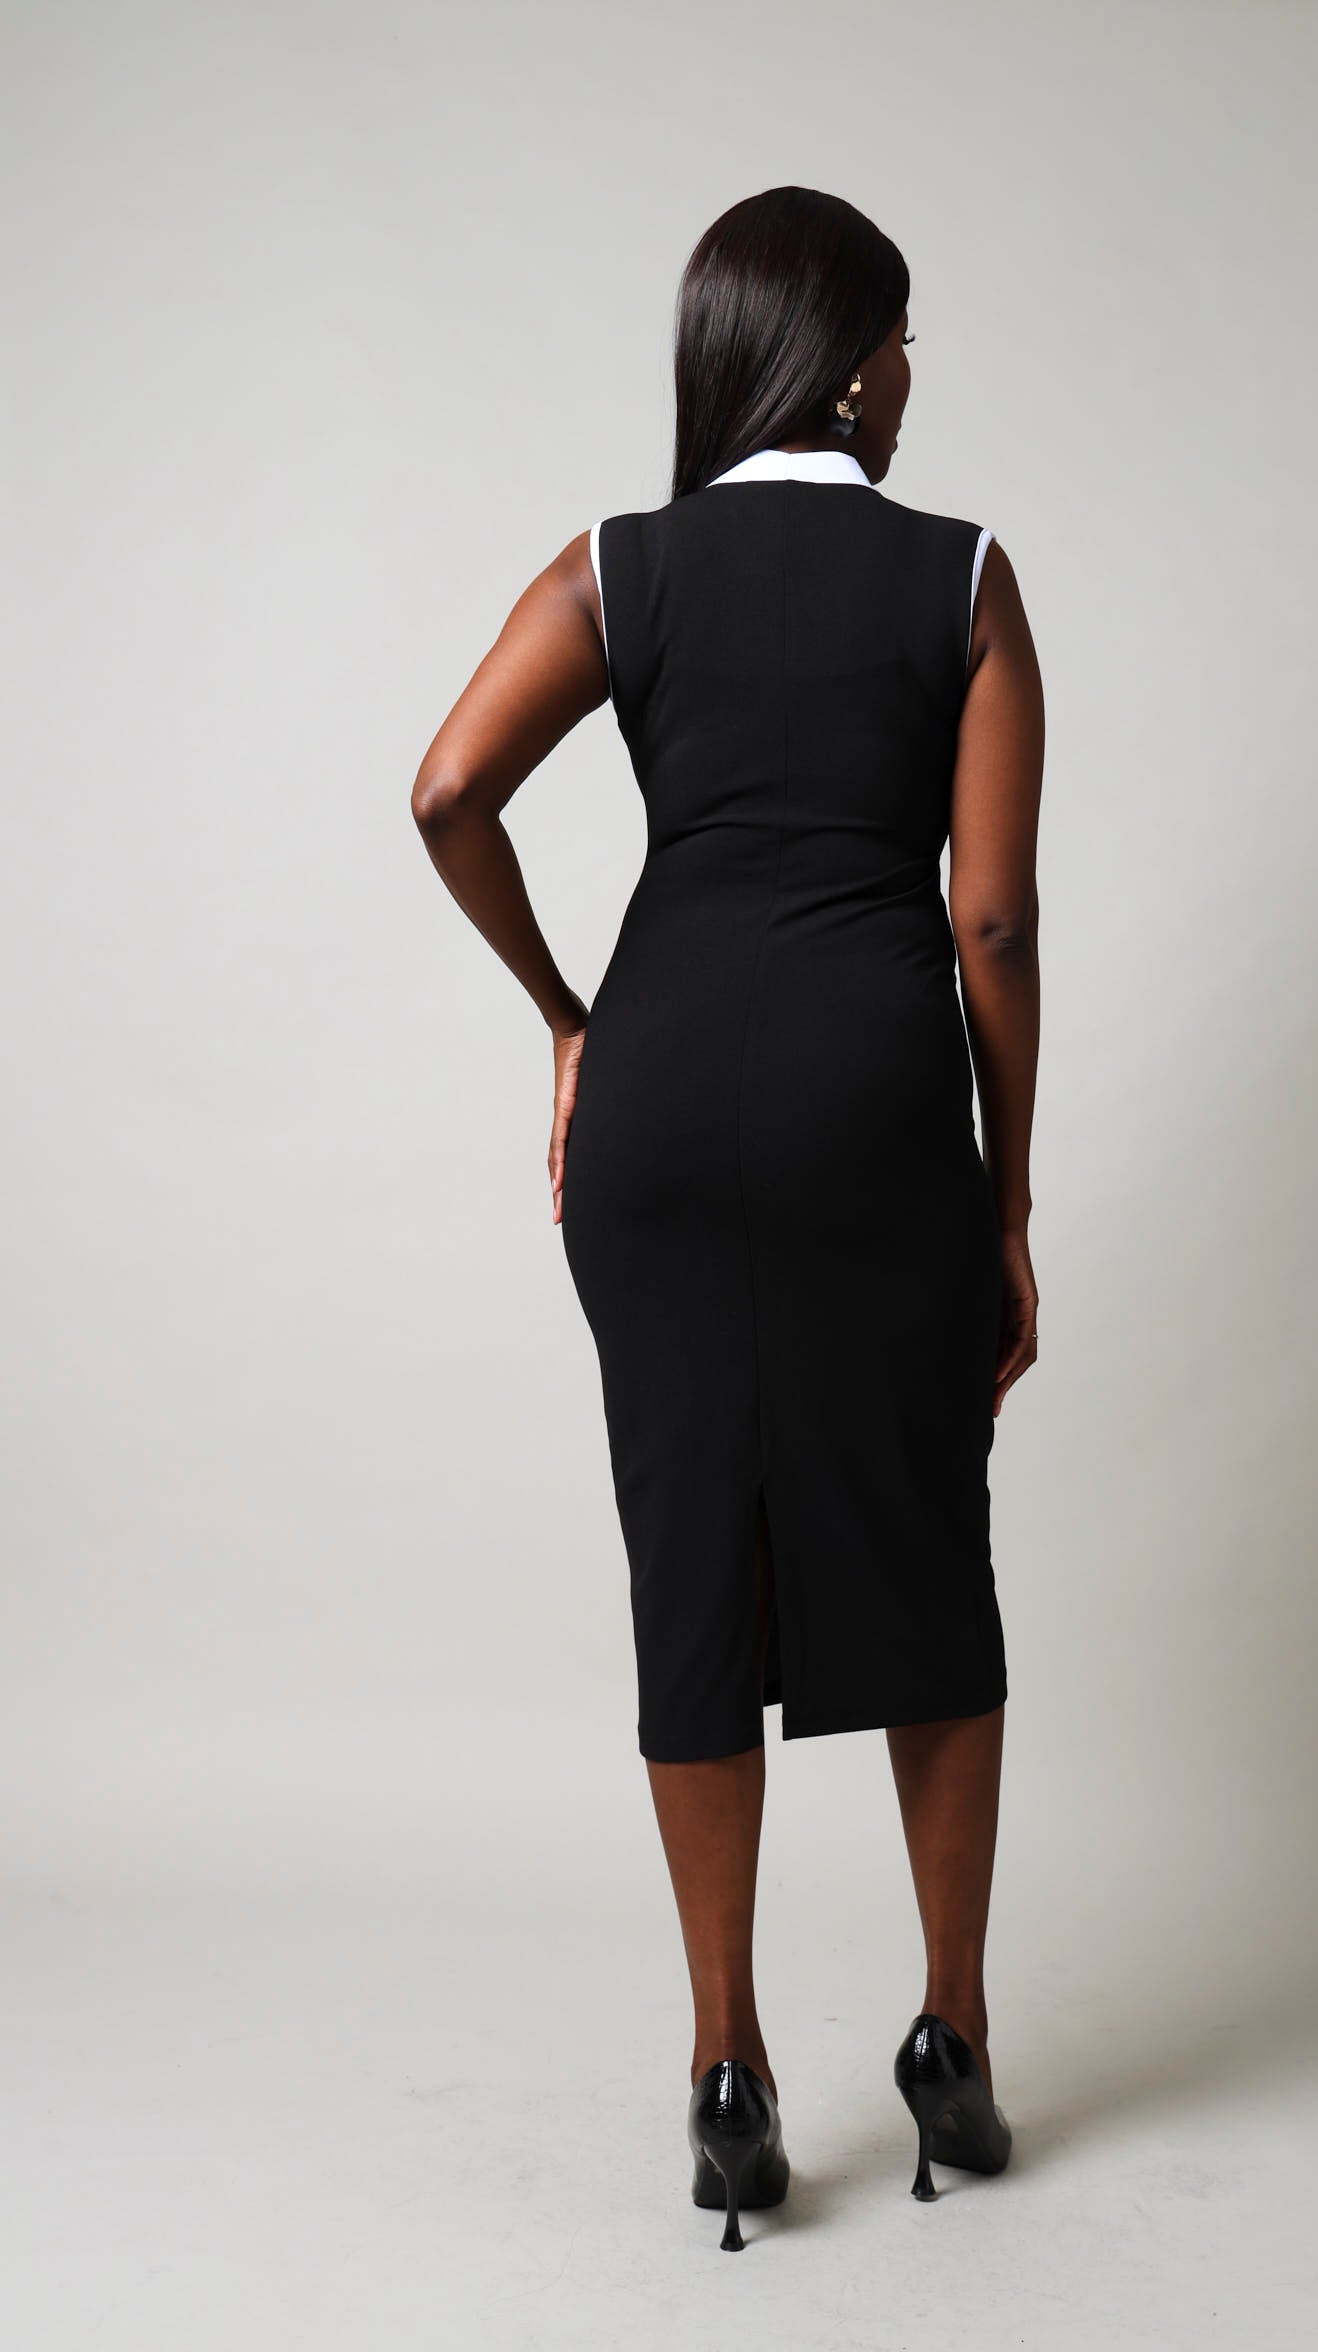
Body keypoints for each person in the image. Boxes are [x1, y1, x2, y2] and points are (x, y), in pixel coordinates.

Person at [411, 185, 1044, 2252]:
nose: (913, 370)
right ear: (849, 365)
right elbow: (991, 921)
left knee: (693, 1551)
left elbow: (446, 791)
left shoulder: (621, 564)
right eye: (902, 335)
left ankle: (725, 2070)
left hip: (661, 1102)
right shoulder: (961, 575)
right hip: (879, 1105)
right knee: (923, 1539)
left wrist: (569, 1018)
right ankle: (948, 2037)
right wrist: (1005, 1204)